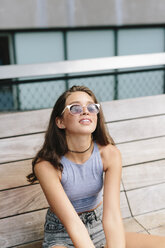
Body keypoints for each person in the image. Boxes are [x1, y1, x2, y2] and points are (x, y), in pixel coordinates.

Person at [27, 85, 165, 248]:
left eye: (91, 107)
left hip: (100, 226)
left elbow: (112, 216)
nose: (86, 111)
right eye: (75, 108)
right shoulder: (46, 165)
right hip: (62, 234)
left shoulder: (110, 154)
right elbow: (73, 223)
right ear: (60, 121)